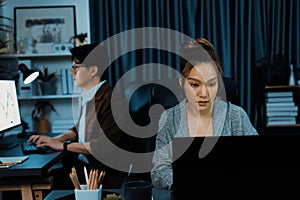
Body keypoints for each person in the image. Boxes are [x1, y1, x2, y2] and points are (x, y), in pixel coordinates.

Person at [151, 38, 258, 189]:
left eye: (211, 84)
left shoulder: (236, 116)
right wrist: (193, 183)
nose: (204, 93)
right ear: (182, 82)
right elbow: (159, 171)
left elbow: (257, 163)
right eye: (195, 84)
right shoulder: (169, 119)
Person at [29, 44, 131, 189]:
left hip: (102, 174)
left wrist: (62, 146)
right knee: (46, 176)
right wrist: (57, 139)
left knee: (45, 181)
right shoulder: (92, 95)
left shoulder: (111, 100)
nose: (72, 72)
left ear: (93, 70)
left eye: (76, 66)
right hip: (86, 165)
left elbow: (103, 146)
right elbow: (79, 130)